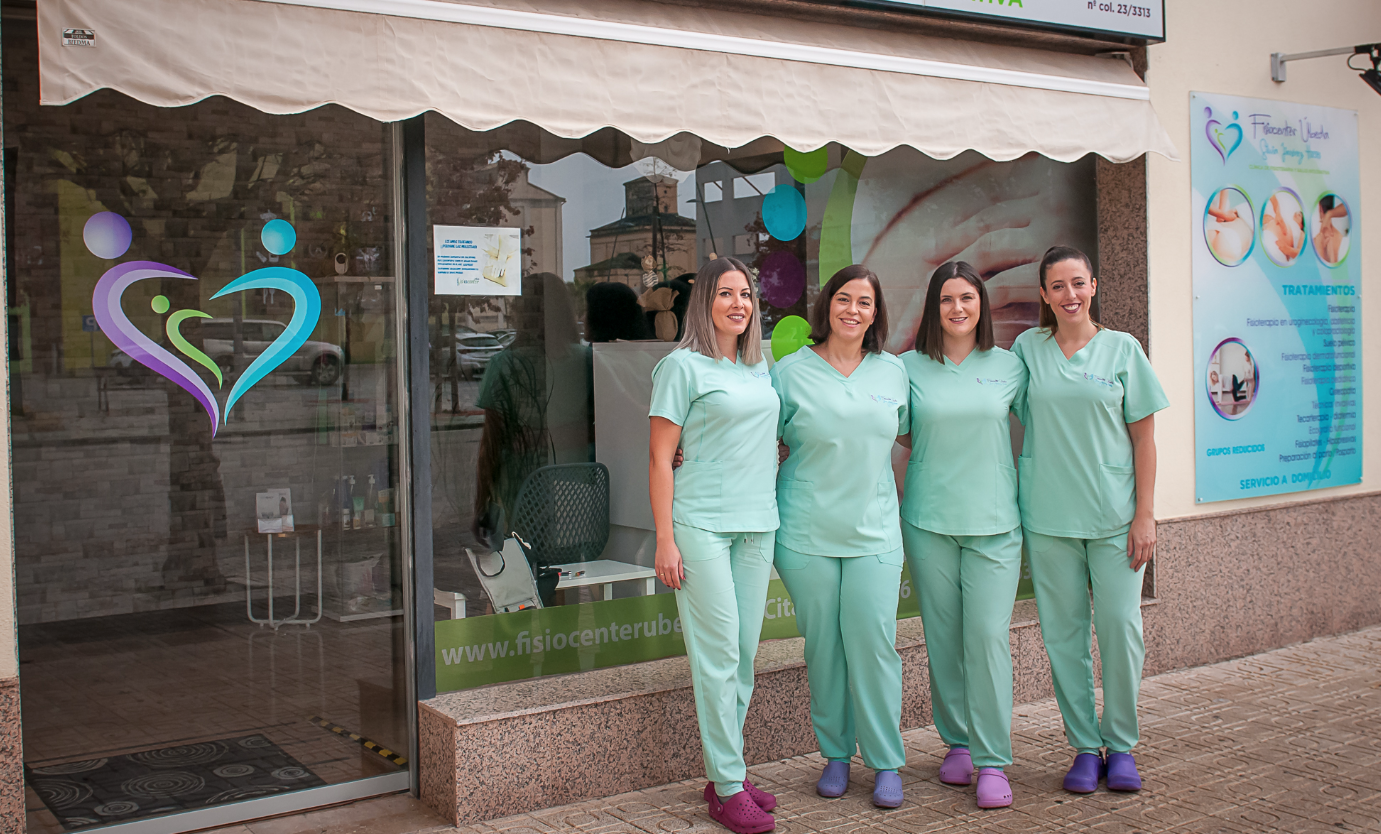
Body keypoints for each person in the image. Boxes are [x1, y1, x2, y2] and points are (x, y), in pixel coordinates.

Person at [1011, 247, 1168, 795]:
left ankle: (1120, 745)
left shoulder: (1123, 349)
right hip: (1049, 517)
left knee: (1120, 630)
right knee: (1064, 636)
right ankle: (1083, 745)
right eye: (1057, 286)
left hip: (1115, 519)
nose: (1069, 294)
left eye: (1078, 283)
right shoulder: (1027, 349)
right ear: (1043, 294)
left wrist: (1145, 514)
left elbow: (1145, 439)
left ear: (1094, 286)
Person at [648, 257, 781, 834]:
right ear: (704, 301)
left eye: (745, 294)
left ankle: (728, 771)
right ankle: (727, 788)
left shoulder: (758, 366)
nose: (738, 304)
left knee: (743, 655)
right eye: (725, 293)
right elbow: (660, 458)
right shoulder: (680, 368)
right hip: (700, 526)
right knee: (718, 655)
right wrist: (665, 539)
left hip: (758, 524)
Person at [771, 265, 910, 808]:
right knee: (824, 648)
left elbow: (917, 434)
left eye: (865, 302)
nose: (853, 310)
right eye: (844, 299)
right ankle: (834, 754)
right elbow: (758, 438)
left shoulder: (893, 371)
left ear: (876, 313)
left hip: (875, 530)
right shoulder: (789, 373)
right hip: (806, 532)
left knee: (874, 647)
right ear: (827, 304)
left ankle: (885, 761)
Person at [897, 261, 1028, 809]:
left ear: (982, 305)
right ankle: (958, 742)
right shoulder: (906, 367)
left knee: (988, 639)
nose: (957, 308)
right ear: (933, 307)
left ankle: (993, 758)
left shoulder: (1011, 365)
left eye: (967, 298)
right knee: (944, 638)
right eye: (947, 299)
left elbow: (1052, 422)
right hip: (928, 521)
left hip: (995, 524)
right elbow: (885, 428)